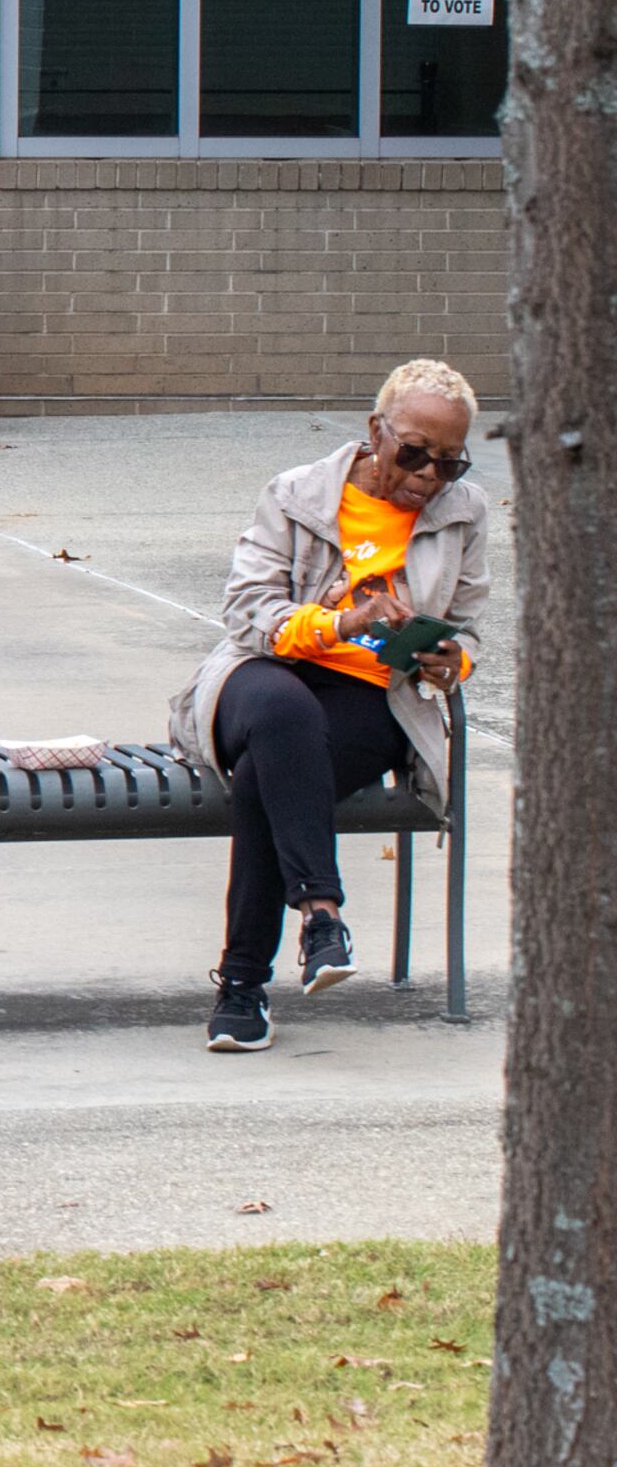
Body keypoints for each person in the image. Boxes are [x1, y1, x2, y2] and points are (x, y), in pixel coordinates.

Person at [171, 359, 492, 1053]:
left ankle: (242, 987)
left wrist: (448, 660)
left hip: (373, 698)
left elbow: (464, 626)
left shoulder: (464, 515)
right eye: (413, 454)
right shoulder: (296, 495)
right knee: (284, 721)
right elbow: (247, 613)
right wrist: (340, 624)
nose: (428, 477)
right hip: (262, 675)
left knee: (269, 776)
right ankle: (322, 909)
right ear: (377, 431)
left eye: (449, 464)